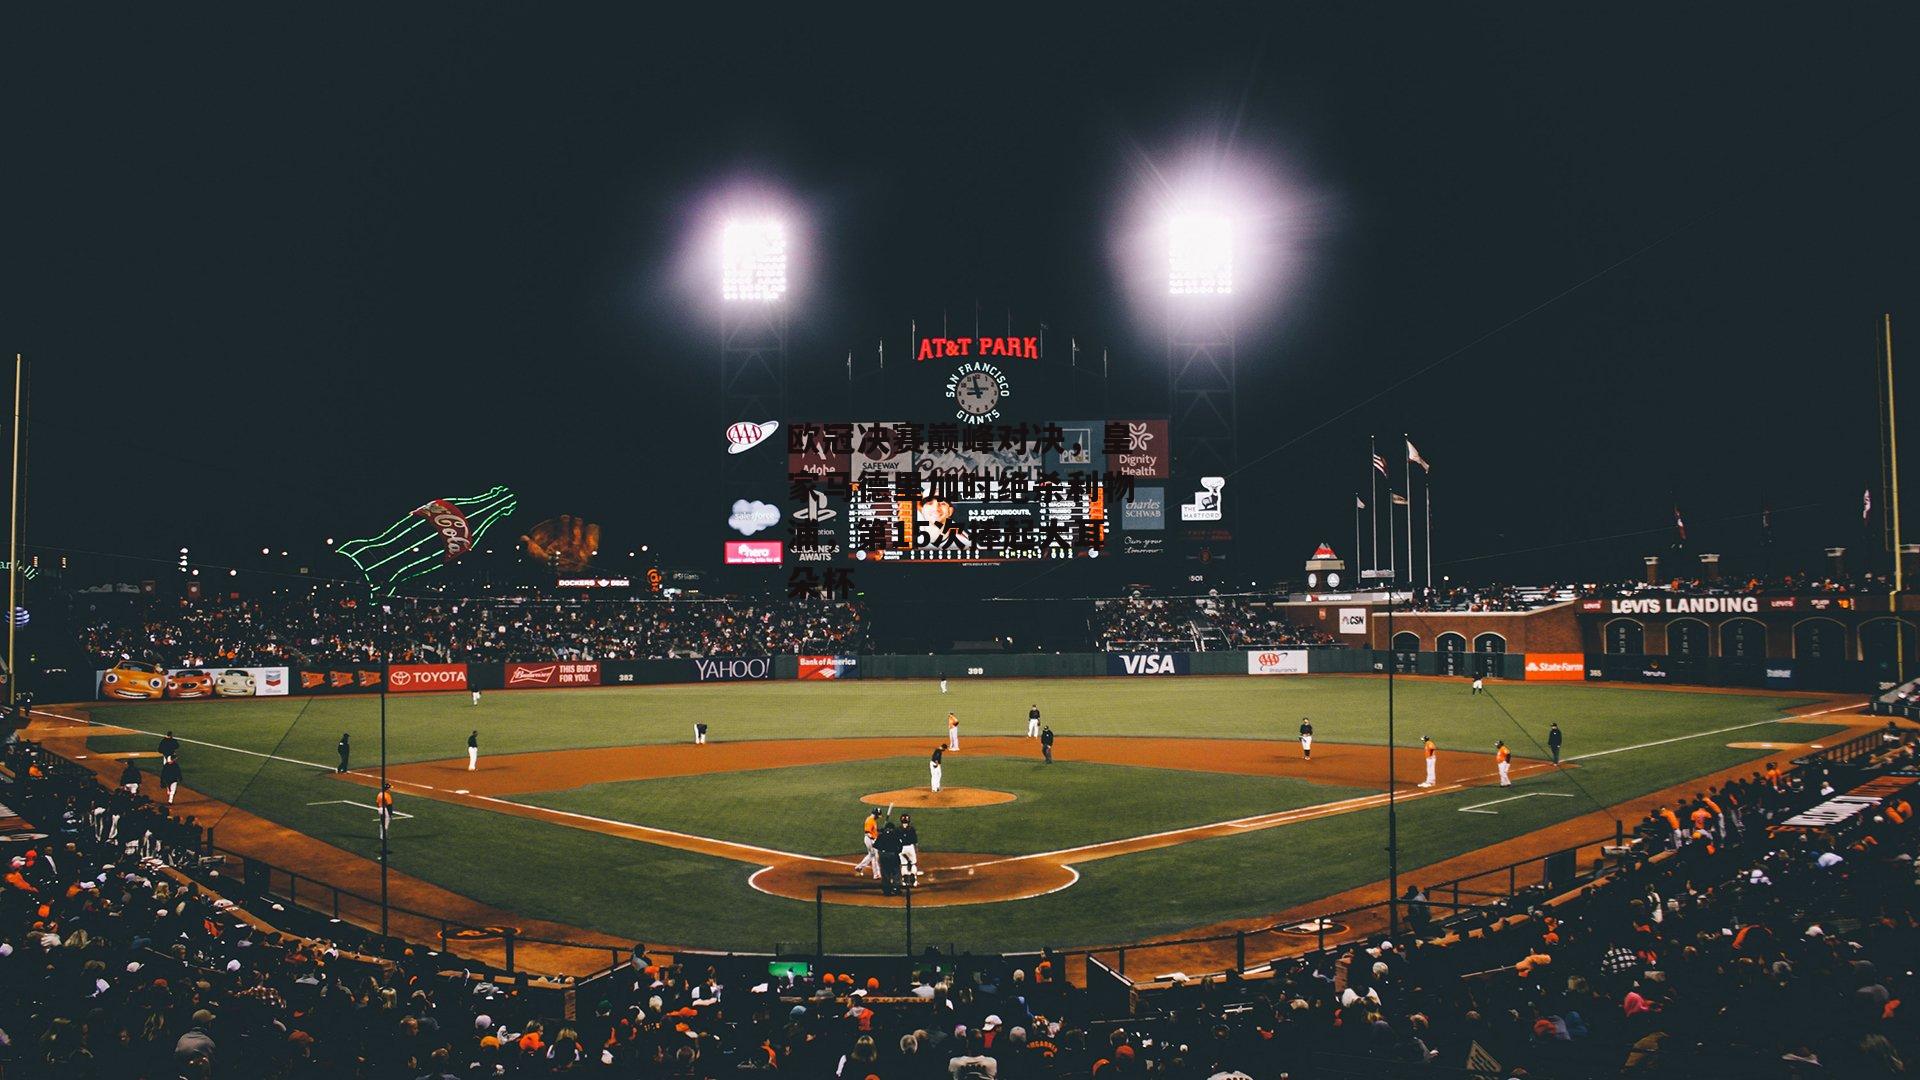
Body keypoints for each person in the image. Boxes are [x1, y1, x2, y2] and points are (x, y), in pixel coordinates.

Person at [875, 817, 905, 896]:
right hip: (893, 855)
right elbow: (900, 847)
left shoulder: (881, 835)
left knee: (885, 872)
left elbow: (876, 846)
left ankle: (886, 890)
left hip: (883, 855)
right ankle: (896, 888)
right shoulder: (895, 834)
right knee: (896, 872)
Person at [853, 808, 880, 879]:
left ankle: (859, 867)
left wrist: (879, 831)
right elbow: (867, 832)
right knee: (874, 856)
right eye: (878, 815)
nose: (878, 817)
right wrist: (873, 839)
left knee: (871, 855)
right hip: (870, 840)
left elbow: (873, 830)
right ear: (875, 814)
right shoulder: (869, 821)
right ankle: (876, 874)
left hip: (871, 840)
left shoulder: (873, 820)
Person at [899, 813, 921, 886]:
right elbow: (915, 841)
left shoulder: (898, 829)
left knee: (904, 865)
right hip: (910, 848)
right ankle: (914, 881)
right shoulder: (912, 829)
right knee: (913, 864)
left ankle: (904, 882)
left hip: (901, 848)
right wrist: (916, 850)